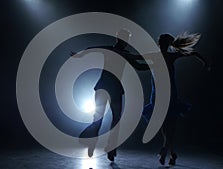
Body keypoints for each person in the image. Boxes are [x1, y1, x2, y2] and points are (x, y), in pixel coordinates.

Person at [71, 29, 150, 161]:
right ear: (118, 39)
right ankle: (96, 142)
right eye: (124, 39)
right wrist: (80, 55)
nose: (125, 42)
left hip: (111, 88)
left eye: (127, 40)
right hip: (106, 87)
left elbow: (140, 66)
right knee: (101, 117)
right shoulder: (113, 50)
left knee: (112, 119)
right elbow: (92, 48)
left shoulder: (124, 53)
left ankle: (109, 146)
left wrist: (153, 66)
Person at [142, 33, 210, 165]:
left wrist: (204, 61)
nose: (163, 45)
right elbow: (136, 58)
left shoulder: (169, 56)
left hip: (169, 93)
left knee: (170, 123)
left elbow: (193, 53)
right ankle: (171, 152)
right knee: (164, 124)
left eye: (165, 43)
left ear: (166, 45)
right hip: (157, 94)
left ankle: (166, 149)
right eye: (162, 43)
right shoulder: (156, 55)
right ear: (160, 44)